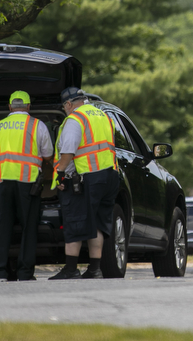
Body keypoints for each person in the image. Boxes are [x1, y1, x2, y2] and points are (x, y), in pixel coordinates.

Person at [49, 86, 120, 280]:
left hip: (87, 176)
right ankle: (95, 269)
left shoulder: (75, 119)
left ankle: (71, 269)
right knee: (97, 224)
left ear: (68, 104)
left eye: (64, 107)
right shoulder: (102, 115)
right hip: (109, 175)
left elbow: (68, 151)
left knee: (75, 220)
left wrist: (60, 174)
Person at [0, 90, 54, 282]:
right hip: (28, 182)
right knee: (28, 227)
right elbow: (48, 155)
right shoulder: (37, 125)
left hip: (1, 181)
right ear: (28, 106)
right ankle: (25, 273)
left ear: (9, 107)